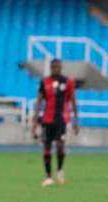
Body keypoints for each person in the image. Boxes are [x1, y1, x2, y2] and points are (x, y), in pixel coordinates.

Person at [31, 59, 79, 187]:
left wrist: (76, 120)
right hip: (47, 120)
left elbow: (73, 101)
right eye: (53, 67)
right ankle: (48, 177)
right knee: (46, 148)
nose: (55, 69)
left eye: (58, 66)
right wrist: (34, 123)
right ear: (51, 67)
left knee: (59, 145)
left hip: (61, 119)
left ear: (61, 67)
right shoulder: (44, 82)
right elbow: (39, 102)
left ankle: (59, 170)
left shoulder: (68, 82)